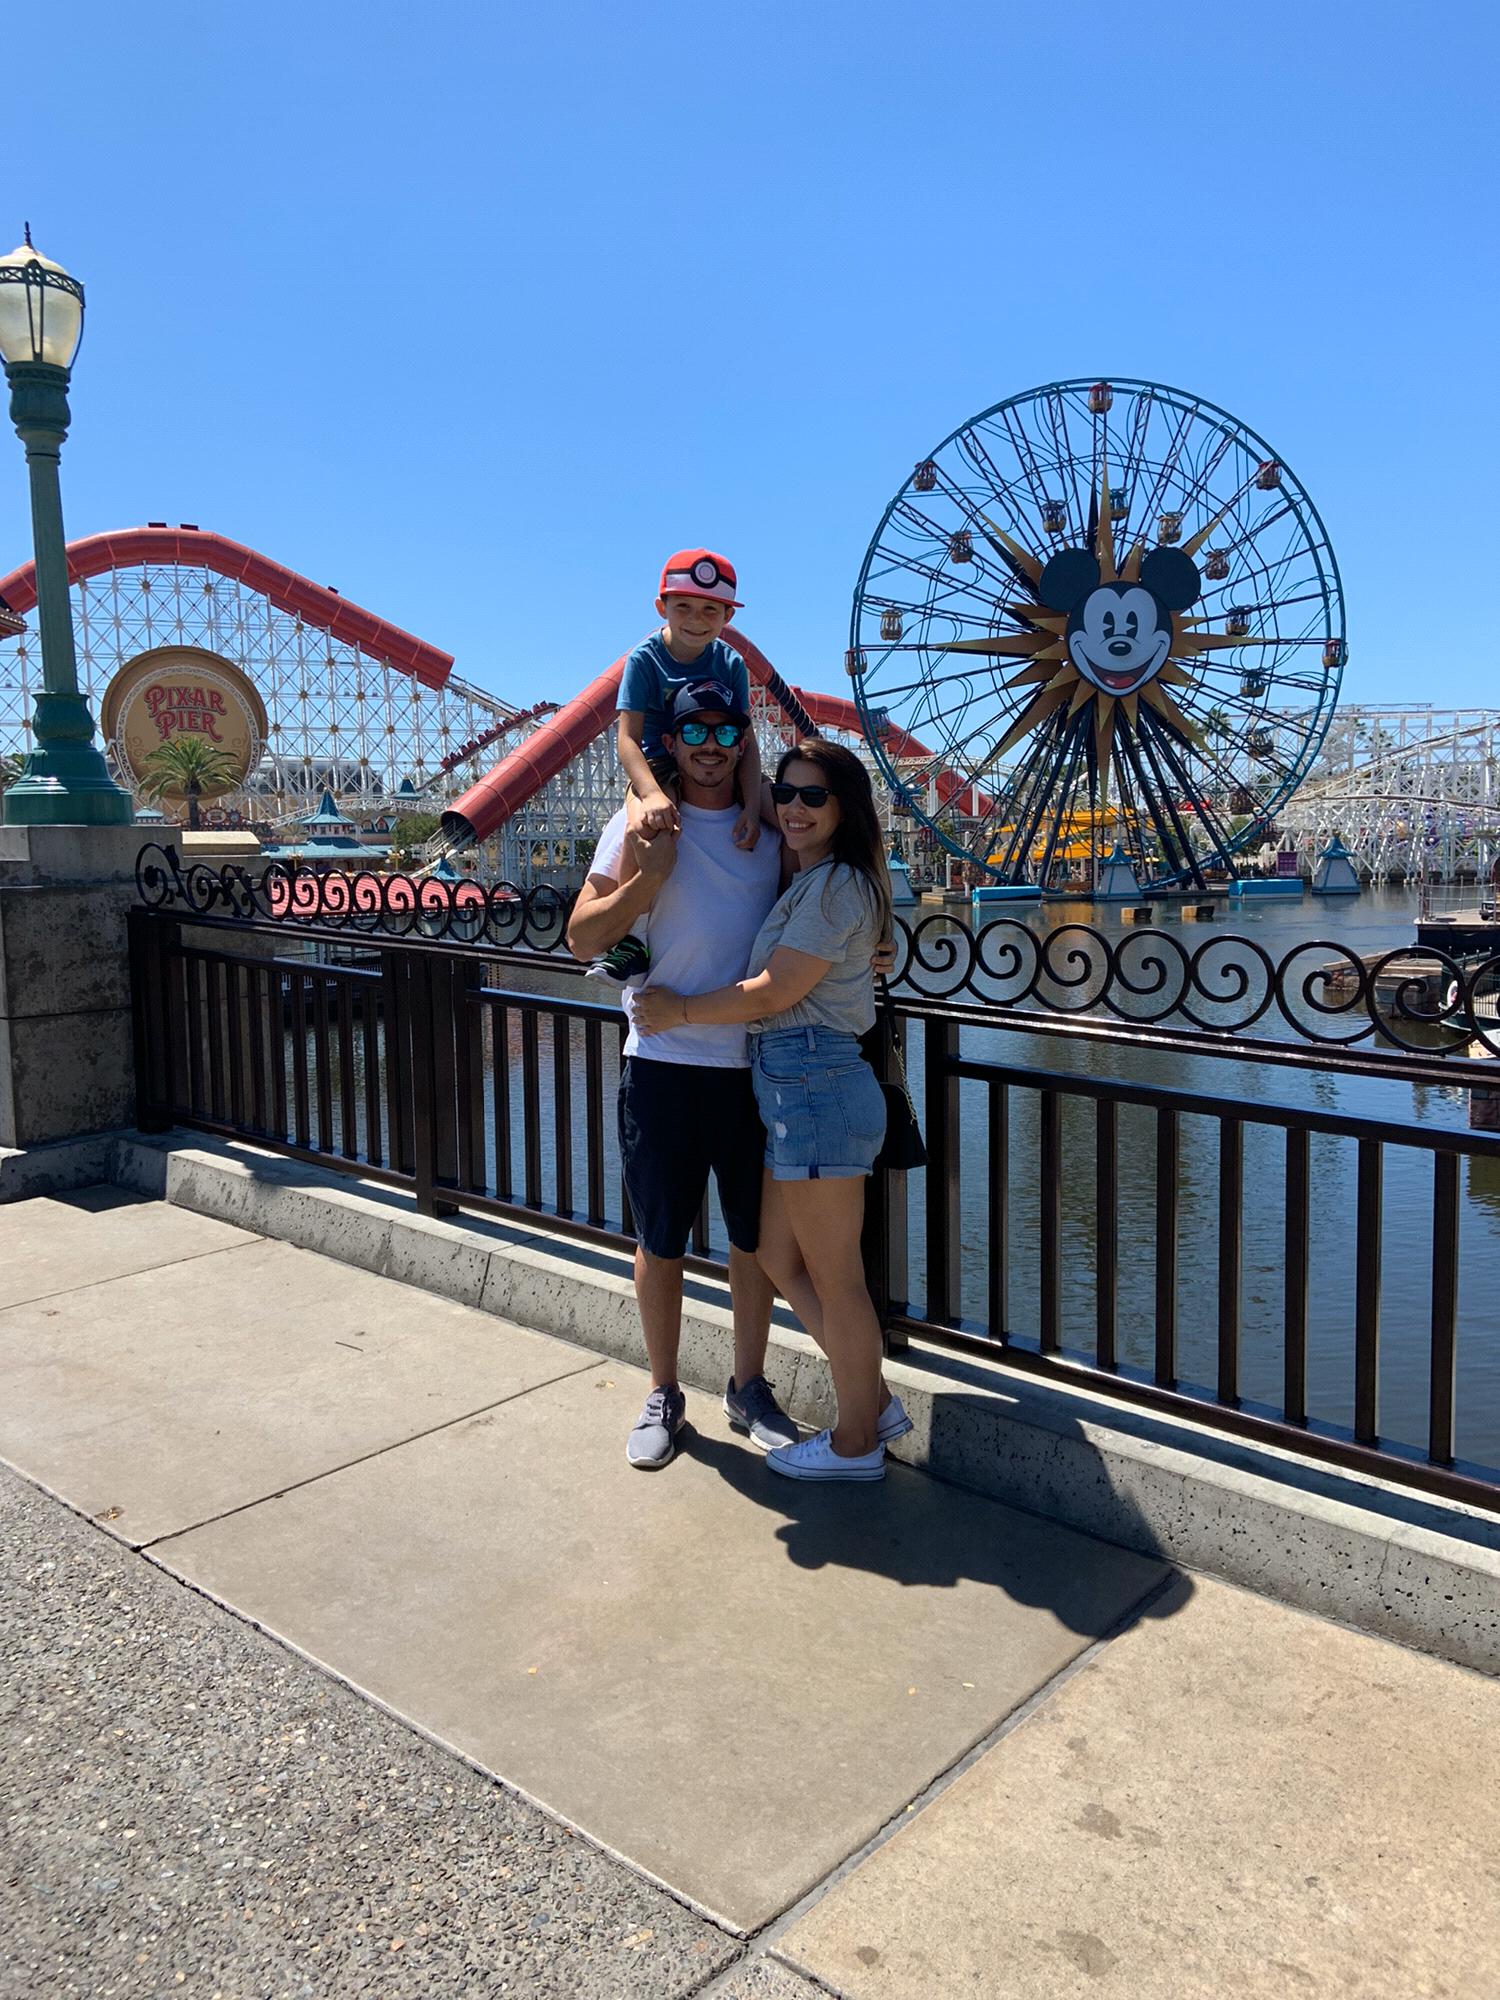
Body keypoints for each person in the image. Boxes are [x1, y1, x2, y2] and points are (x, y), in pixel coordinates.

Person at [634, 738, 912, 1482]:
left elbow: (776, 991)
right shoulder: (817, 877)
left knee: (837, 1276)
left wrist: (678, 1010)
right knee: (776, 1255)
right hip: (793, 1087)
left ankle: (856, 1443)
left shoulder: (834, 885)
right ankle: (875, 1403)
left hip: (816, 1084)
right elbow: (739, 787)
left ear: (845, 808)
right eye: (784, 793)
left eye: (814, 796)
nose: (793, 808)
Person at [566, 680, 797, 1468]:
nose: (709, 745)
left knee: (752, 1241)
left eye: (725, 731)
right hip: (661, 1066)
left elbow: (836, 887)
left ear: (743, 742)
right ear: (670, 741)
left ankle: (748, 1384)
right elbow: (580, 937)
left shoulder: (771, 829)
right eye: (693, 730)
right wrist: (649, 879)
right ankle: (663, 1391)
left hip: (754, 1068)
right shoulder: (635, 825)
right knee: (659, 1239)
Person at [590, 549, 765, 986]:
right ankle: (634, 939)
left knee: (789, 808)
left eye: (710, 610)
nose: (696, 619)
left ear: (727, 616)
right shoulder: (644, 659)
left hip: (721, 756)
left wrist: (753, 804)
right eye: (683, 606)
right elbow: (627, 738)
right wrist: (649, 793)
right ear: (661, 607)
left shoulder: (731, 663)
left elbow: (747, 741)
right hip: (656, 763)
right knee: (642, 827)